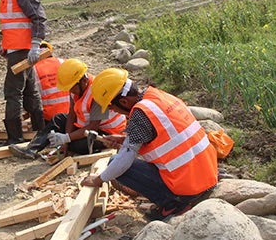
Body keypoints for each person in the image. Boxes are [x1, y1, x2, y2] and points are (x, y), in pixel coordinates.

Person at [81, 68, 218, 219]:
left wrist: (98, 179)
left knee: (116, 164)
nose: (114, 111)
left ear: (124, 101)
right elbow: (166, 137)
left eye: (112, 107)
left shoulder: (140, 114)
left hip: (188, 186)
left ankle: (174, 202)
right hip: (208, 173)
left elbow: (123, 162)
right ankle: (184, 195)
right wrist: (123, 140)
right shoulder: (158, 96)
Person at [10, 58, 127, 159]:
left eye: (72, 88)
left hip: (106, 133)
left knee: (77, 145)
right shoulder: (75, 88)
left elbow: (93, 127)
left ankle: (88, 147)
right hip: (85, 126)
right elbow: (71, 114)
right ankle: (31, 149)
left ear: (84, 81)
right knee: (59, 118)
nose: (70, 91)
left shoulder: (97, 92)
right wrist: (66, 137)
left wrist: (67, 138)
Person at [0, 0, 47, 145]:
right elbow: (11, 24)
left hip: (23, 51)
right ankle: (40, 130)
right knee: (30, 90)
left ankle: (14, 137)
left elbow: (38, 17)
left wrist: (35, 44)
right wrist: (5, 45)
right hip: (16, 49)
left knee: (12, 92)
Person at [32, 40, 70, 122]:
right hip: (71, 114)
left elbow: (31, 99)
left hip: (49, 118)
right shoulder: (64, 62)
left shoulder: (33, 70)